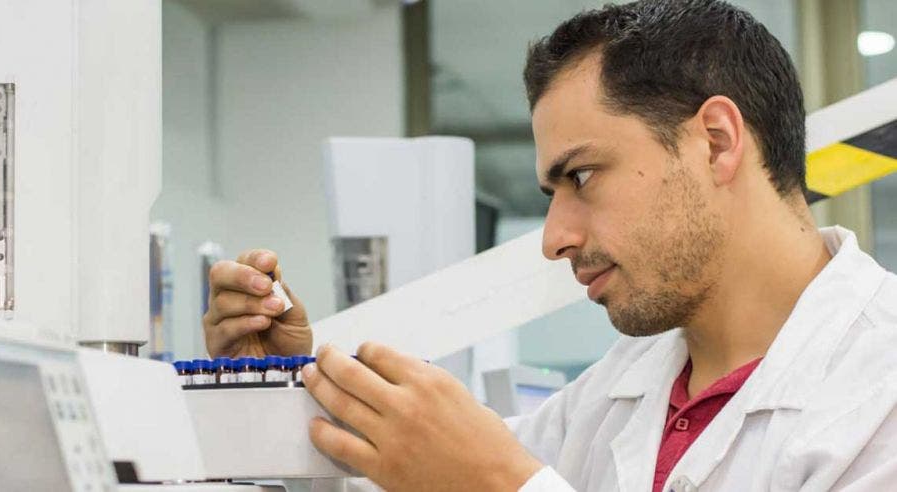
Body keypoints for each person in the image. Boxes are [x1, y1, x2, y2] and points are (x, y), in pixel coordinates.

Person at [202, 1, 897, 490]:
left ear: (714, 142)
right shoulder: (626, 389)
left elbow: (497, 476)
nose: (556, 240)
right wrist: (281, 385)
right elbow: (406, 471)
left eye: (583, 175)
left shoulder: (878, 390)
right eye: (550, 192)